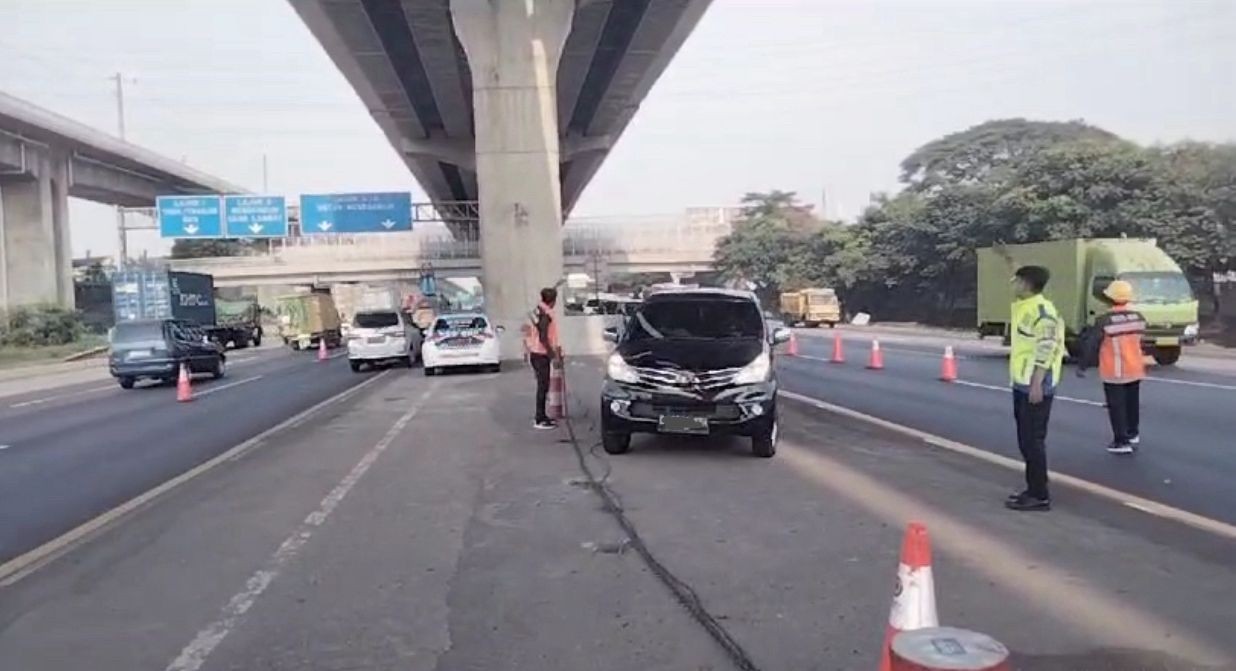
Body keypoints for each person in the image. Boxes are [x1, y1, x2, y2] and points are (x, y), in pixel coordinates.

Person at [1005, 265, 1065, 512]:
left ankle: (1040, 495)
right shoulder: (1026, 307)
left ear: (1027, 284)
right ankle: (1033, 487)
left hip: (1035, 383)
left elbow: (1047, 347)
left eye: (1017, 281)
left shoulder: (1042, 311)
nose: (1014, 285)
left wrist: (1037, 383)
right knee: (1025, 440)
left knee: (1032, 441)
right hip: (1022, 381)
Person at [1076, 280, 1146, 454]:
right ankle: (1132, 433)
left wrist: (1083, 366)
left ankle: (1121, 441)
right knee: (1132, 403)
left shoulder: (1104, 320)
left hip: (1114, 369)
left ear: (1108, 298)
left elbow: (1092, 344)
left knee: (1116, 405)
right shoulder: (1139, 317)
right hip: (1135, 367)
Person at [524, 287, 562, 429]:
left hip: (535, 353)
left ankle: (542, 416)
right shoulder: (546, 315)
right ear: (553, 301)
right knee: (543, 387)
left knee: (543, 386)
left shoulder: (538, 310)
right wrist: (553, 356)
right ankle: (539, 418)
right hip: (541, 355)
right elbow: (543, 337)